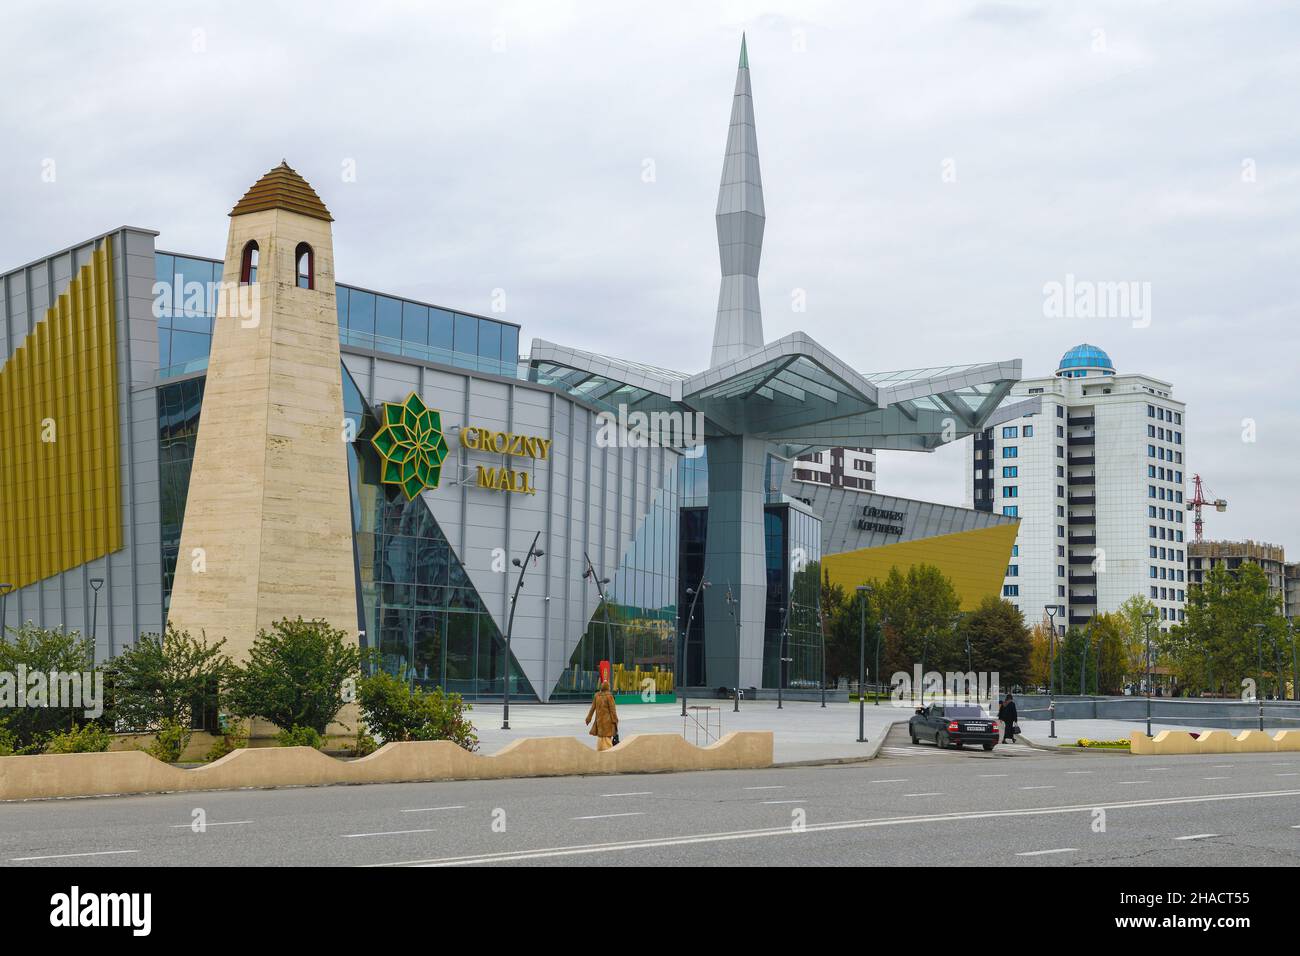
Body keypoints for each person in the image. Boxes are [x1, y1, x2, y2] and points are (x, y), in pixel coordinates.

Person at [585, 680, 619, 751]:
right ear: (608, 687)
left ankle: (599, 750)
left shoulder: (597, 695)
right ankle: (608, 752)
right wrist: (615, 720)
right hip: (608, 721)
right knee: (607, 738)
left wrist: (588, 718)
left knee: (601, 737)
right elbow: (613, 710)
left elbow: (592, 708)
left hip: (599, 721)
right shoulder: (609, 696)